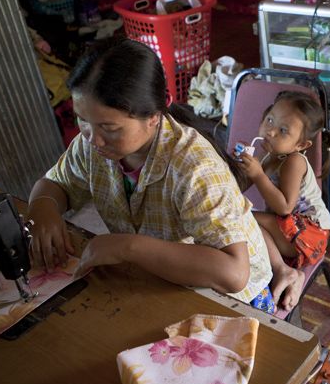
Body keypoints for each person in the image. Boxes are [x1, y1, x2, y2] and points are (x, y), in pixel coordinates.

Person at [27, 39, 302, 313]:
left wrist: (129, 247)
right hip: (159, 274)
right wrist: (43, 209)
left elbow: (233, 273)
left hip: (232, 296)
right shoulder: (91, 147)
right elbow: (56, 184)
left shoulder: (195, 168)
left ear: (154, 116)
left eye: (109, 128)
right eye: (82, 120)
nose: (92, 139)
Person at [236, 91, 330, 309]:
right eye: (270, 120)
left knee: (242, 218)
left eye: (283, 130)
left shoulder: (294, 161)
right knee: (240, 219)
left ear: (301, 145)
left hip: (310, 234)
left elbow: (284, 207)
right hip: (292, 233)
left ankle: (283, 271)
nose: (270, 131)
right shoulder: (271, 157)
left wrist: (258, 174)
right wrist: (240, 167)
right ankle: (287, 274)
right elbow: (240, 188)